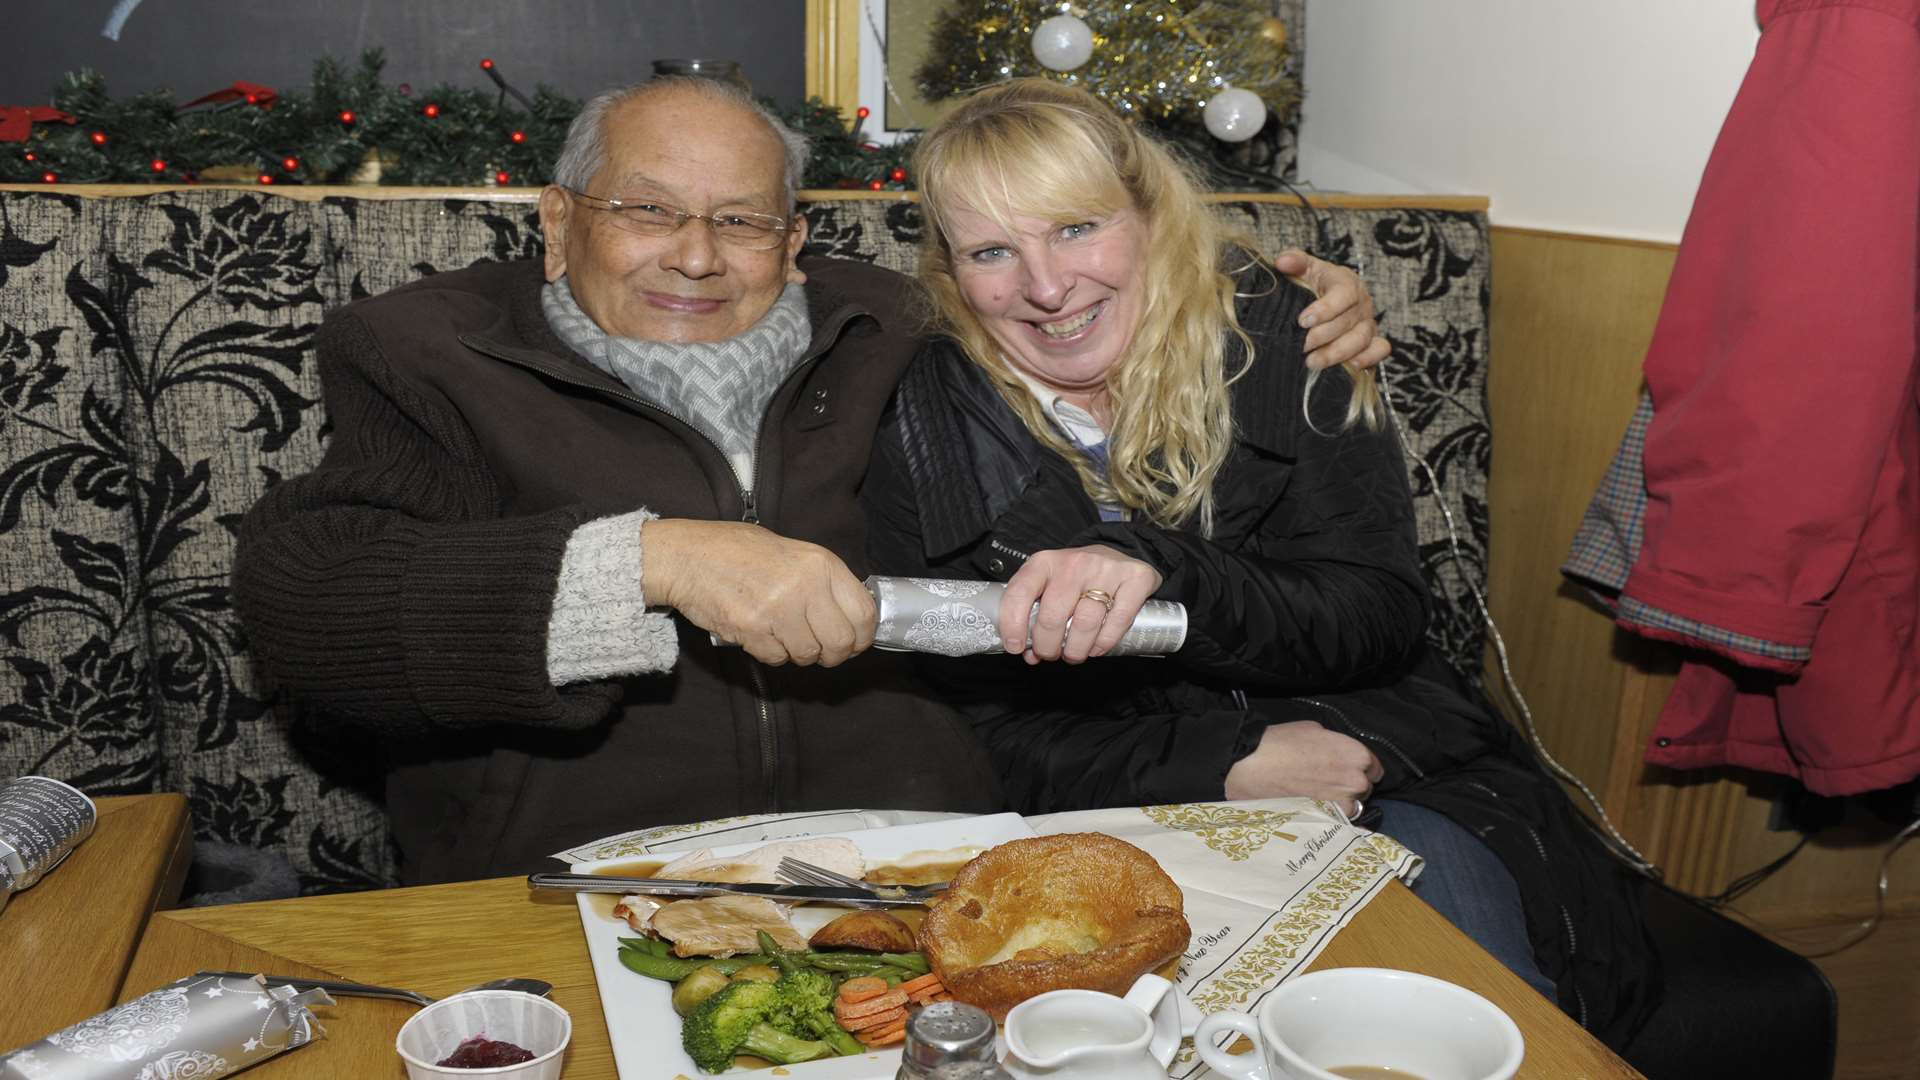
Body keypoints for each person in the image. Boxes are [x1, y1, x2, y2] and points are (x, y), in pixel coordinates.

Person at [231, 75, 1385, 886]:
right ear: (558, 219)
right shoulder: (434, 353)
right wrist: (653, 559)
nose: (694, 254)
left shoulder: (898, 326)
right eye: (645, 211)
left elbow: (1103, 282)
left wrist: (1299, 309)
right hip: (590, 875)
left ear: (793, 243)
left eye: (740, 220)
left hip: (918, 864)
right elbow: (307, 608)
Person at [862, 79, 1660, 1046]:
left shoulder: (1289, 337)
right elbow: (971, 730)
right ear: (951, 272)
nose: (1043, 285)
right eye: (994, 251)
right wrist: (1224, 763)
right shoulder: (923, 427)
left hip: (1384, 764)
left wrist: (1162, 567)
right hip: (1095, 821)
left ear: (1150, 216)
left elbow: (1374, 615)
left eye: (1076, 228)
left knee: (1473, 1017)